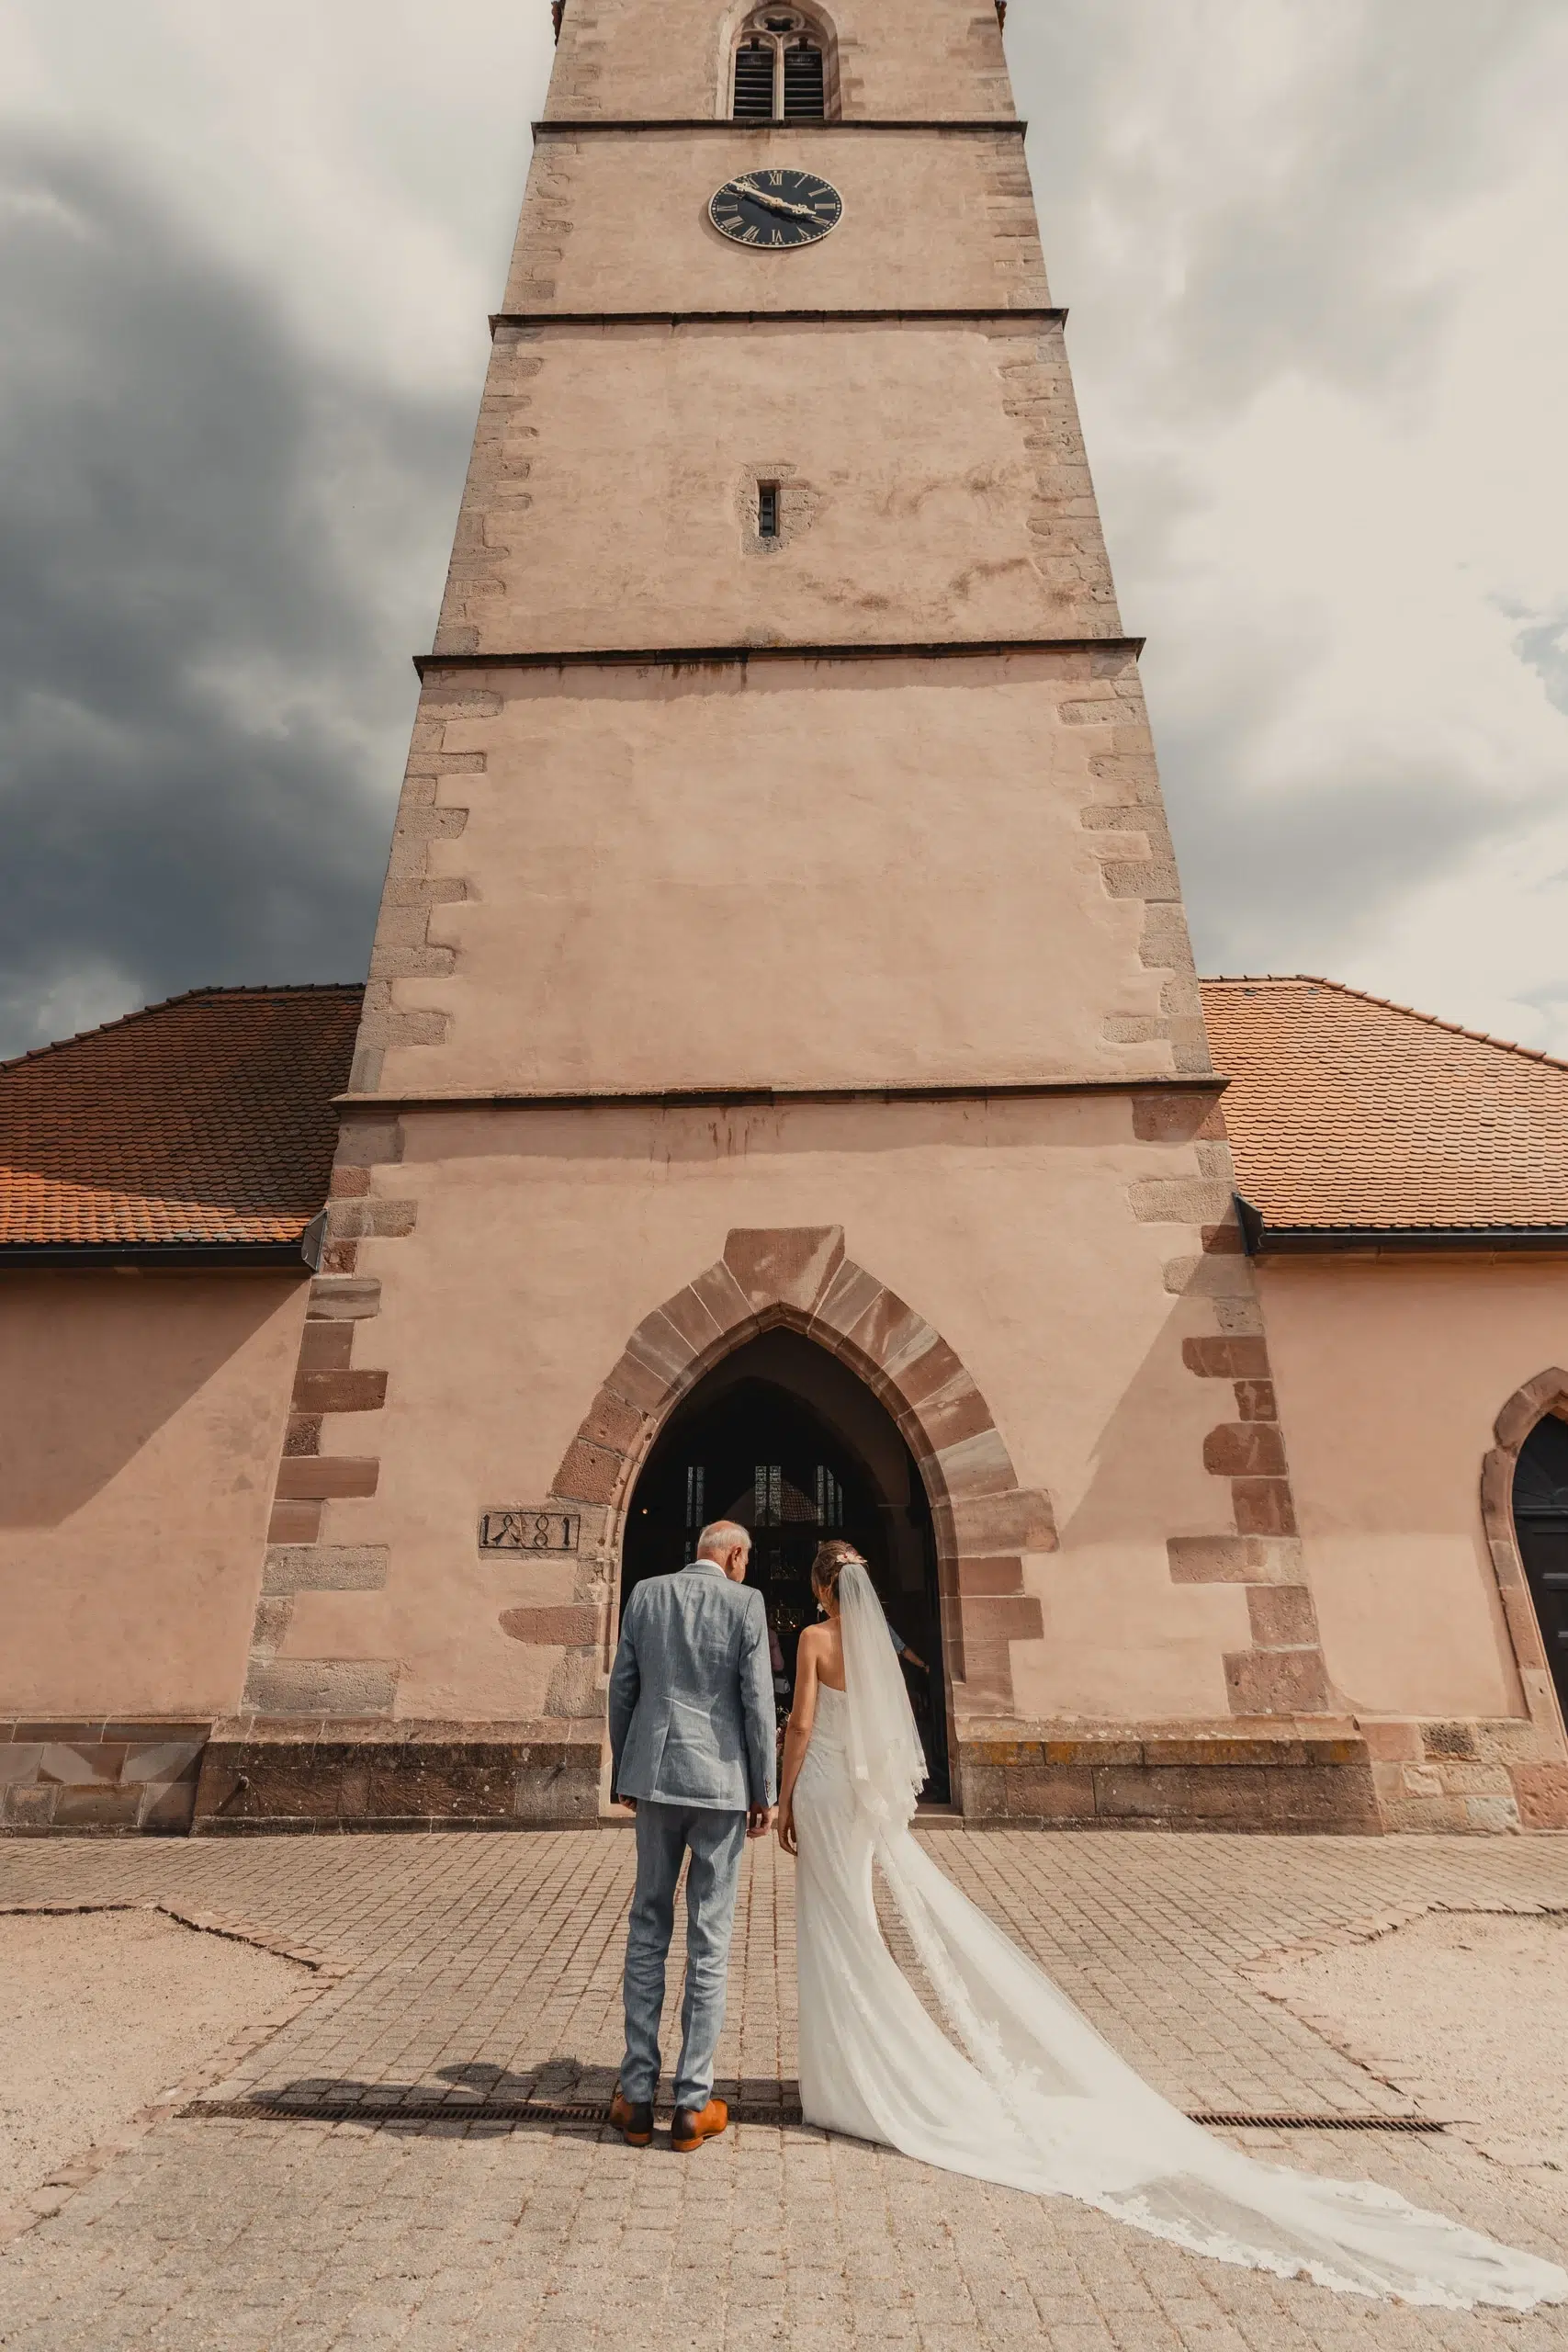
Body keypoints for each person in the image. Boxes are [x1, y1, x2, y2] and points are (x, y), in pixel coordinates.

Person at [776, 1537, 1567, 2312]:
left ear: (818, 1589)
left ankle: (850, 2076)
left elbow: (803, 1723)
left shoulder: (815, 1638)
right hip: (859, 1800)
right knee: (854, 1923)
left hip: (822, 1791)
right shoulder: (874, 1645)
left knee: (837, 1924)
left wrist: (782, 1795)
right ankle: (856, 2070)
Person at [607, 1518, 776, 2154]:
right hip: (721, 1784)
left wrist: (624, 1771)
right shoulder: (745, 1603)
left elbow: (623, 1687)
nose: (745, 1569)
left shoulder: (647, 1594)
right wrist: (764, 1790)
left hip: (654, 1777)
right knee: (710, 1938)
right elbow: (756, 1701)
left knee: (647, 1926)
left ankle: (635, 2097)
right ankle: (692, 2104)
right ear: (732, 1556)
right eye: (745, 1559)